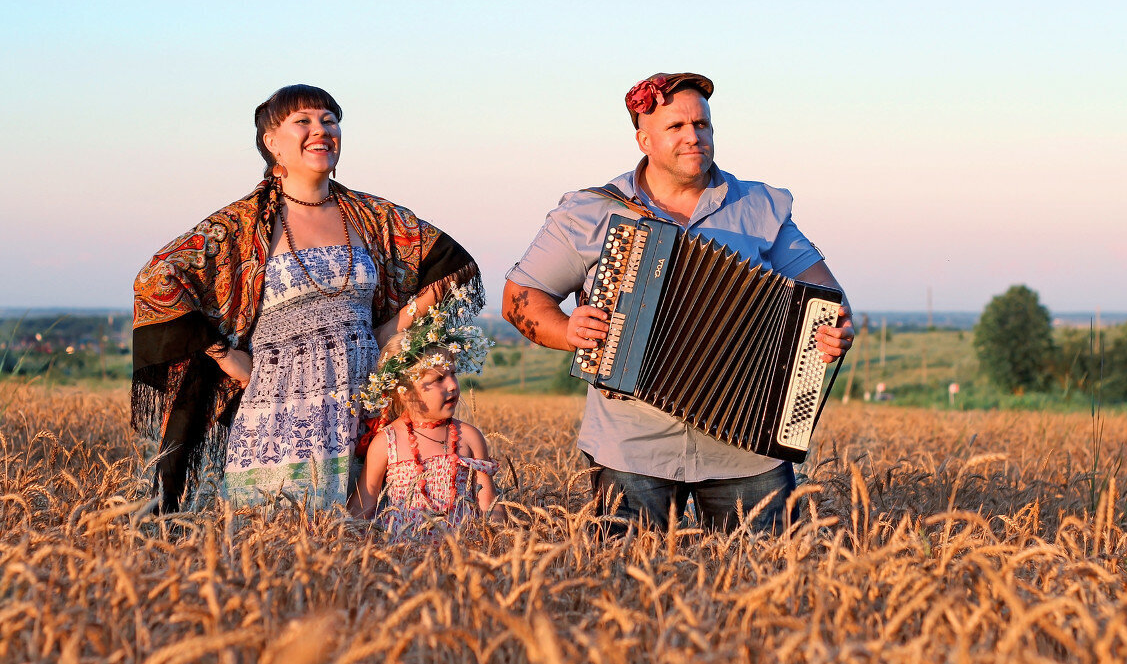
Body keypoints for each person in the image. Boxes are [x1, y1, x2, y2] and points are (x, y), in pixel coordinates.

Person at [502, 71, 853, 534]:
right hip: (631, 445)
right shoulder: (589, 212)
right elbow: (519, 298)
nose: (694, 137)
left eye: (702, 125)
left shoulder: (760, 206)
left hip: (747, 451)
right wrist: (566, 331)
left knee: (763, 585)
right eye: (676, 127)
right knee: (624, 587)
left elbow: (827, 299)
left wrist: (835, 330)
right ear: (643, 139)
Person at [132, 84, 483, 511]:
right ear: (272, 142)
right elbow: (158, 277)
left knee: (362, 539)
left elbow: (452, 265)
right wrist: (223, 354)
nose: (320, 129)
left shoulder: (371, 216)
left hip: (361, 403)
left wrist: (392, 330)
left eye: (329, 120)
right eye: (303, 121)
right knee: (273, 542)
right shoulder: (245, 224)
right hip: (278, 405)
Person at [348, 303, 501, 538]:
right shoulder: (386, 442)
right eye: (439, 379)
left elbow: (489, 505)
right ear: (405, 391)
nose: (452, 385)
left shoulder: (470, 437)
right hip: (404, 557)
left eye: (453, 373)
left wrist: (501, 543)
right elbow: (362, 508)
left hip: (463, 555)